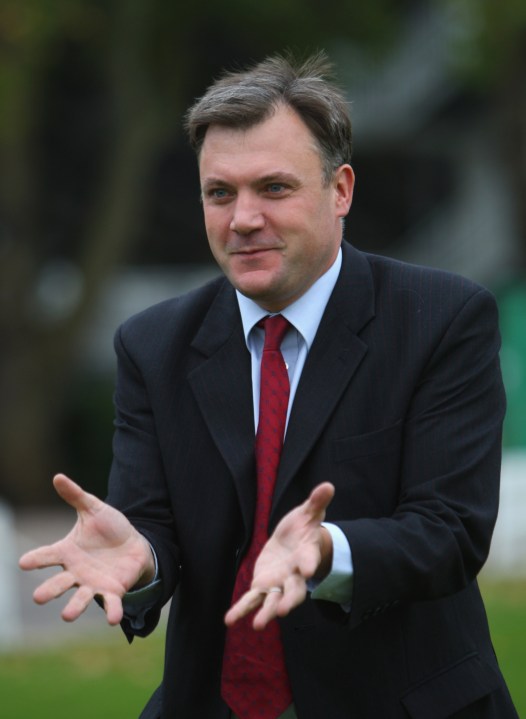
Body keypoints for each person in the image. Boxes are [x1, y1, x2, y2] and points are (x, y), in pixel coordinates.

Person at [20, 52, 518, 719]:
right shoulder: (153, 345)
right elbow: (151, 528)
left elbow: (449, 529)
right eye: (220, 193)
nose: (243, 218)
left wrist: (327, 550)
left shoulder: (441, 318)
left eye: (274, 188)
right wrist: (141, 562)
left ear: (340, 190)